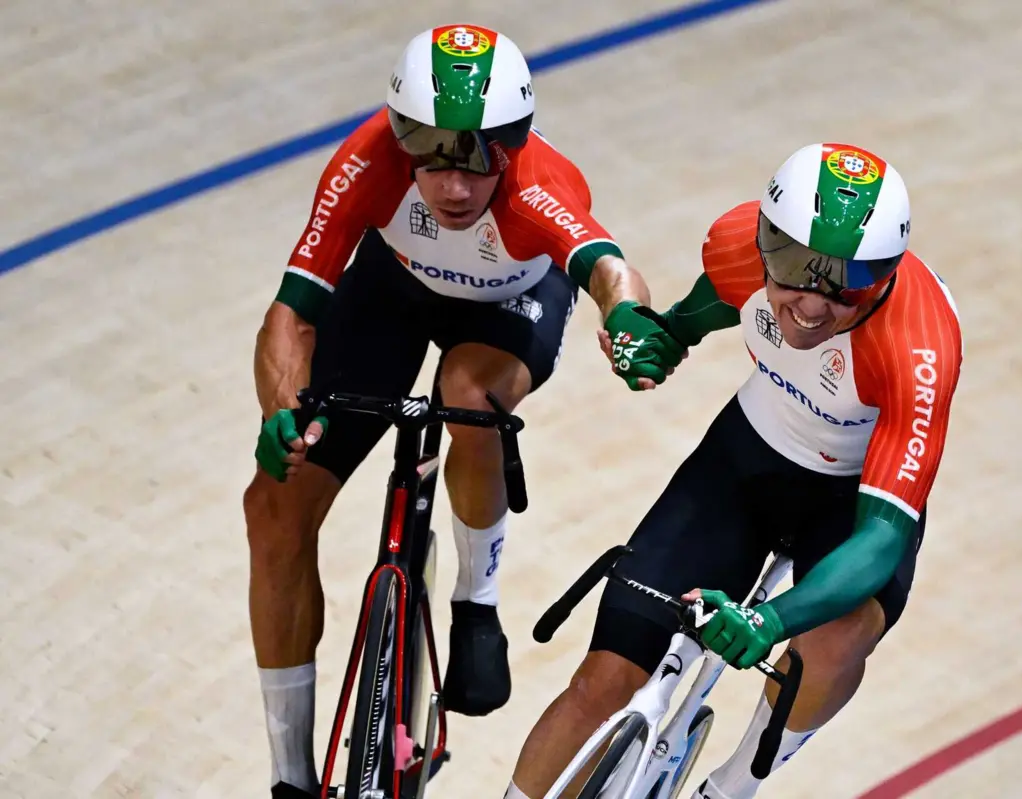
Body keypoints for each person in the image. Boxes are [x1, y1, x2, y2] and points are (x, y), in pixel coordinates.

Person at [244, 24, 684, 799]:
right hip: (394, 289)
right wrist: (279, 413)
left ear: (511, 147)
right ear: (401, 138)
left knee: (468, 394)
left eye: (476, 159)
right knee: (274, 505)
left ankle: (475, 603)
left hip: (509, 305)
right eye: (432, 155)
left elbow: (611, 272)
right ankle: (290, 775)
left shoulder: (538, 186)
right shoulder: (366, 162)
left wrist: (627, 321)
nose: (452, 186)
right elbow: (292, 312)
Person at [504, 142, 963, 799]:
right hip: (748, 459)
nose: (811, 306)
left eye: (845, 285)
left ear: (884, 277)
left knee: (837, 638)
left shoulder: (918, 348)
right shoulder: (736, 247)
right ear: (764, 244)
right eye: (795, 272)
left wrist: (771, 623)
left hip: (852, 501)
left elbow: (881, 539)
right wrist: (655, 342)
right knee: (601, 683)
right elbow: (689, 321)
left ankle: (733, 787)